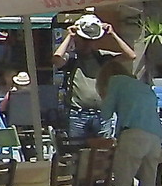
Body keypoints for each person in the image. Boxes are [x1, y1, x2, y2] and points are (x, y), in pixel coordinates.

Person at [99, 58, 162, 186]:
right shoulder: (141, 85)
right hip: (154, 136)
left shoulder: (114, 82)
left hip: (133, 135)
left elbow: (105, 113)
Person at [54, 14, 137, 145]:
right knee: (76, 151)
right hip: (78, 114)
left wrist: (112, 34)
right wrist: (69, 35)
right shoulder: (72, 59)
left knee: (104, 150)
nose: (87, 44)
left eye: (90, 40)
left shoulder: (103, 57)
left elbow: (131, 55)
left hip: (102, 114)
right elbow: (57, 59)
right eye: (83, 40)